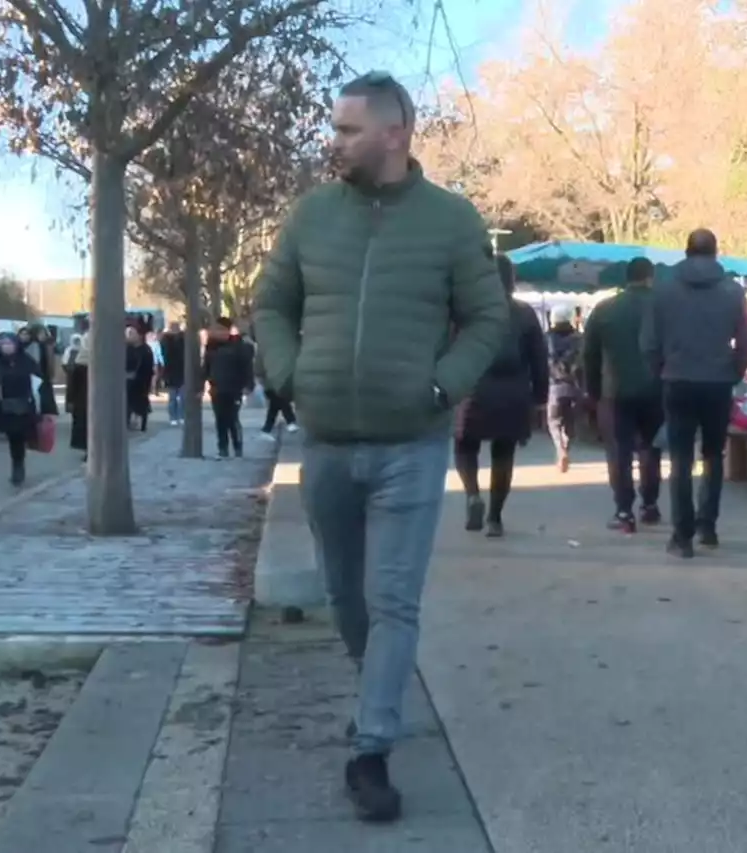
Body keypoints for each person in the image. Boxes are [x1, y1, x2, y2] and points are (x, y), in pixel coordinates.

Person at [251, 71, 507, 824]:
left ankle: (371, 746)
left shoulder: (452, 221)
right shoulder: (311, 217)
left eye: (346, 129)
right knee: (344, 594)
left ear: (394, 134)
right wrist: (288, 371)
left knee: (393, 598)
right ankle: (378, 689)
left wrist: (441, 387)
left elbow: (488, 316)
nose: (334, 142)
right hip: (325, 439)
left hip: (411, 444)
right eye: (334, 128)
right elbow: (271, 301)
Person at [641, 229, 747, 558]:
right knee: (713, 455)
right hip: (718, 382)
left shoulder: (663, 292)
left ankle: (682, 535)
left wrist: (661, 370)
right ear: (716, 252)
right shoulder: (733, 293)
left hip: (677, 380)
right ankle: (708, 526)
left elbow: (648, 342)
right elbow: (746, 341)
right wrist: (734, 370)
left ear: (686, 252)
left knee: (680, 460)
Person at [452, 255, 549, 536]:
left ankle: (472, 494)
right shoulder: (525, 314)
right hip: (514, 392)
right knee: (504, 453)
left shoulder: (467, 312)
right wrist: (540, 397)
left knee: (464, 446)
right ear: (512, 281)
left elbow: (449, 350)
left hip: (474, 390)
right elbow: (539, 359)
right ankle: (495, 518)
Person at [584, 257, 664, 533]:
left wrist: (593, 392)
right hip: (657, 389)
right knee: (651, 448)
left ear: (626, 279)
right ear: (650, 277)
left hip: (615, 391)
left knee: (619, 452)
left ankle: (624, 511)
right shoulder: (663, 308)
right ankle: (650, 504)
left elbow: (589, 356)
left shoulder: (605, 310)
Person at [0, 334, 58, 485]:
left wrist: (46, 408)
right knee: (15, 438)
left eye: (9, 343)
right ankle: (17, 466)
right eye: (3, 344)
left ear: (16, 345)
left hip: (26, 407)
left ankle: (20, 462)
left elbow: (41, 384)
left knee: (24, 436)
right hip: (7, 409)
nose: (6, 346)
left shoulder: (27, 362)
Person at [202, 318, 254, 458]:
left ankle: (238, 447)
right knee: (220, 419)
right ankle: (222, 448)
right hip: (217, 388)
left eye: (220, 329)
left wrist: (248, 385)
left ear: (227, 330)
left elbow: (247, 367)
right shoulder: (211, 347)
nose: (216, 332)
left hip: (234, 388)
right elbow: (206, 368)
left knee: (232, 418)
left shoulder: (238, 345)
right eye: (215, 329)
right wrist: (200, 387)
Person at [544, 304, 582, 472]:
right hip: (574, 387)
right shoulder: (579, 339)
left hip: (554, 387)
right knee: (571, 423)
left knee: (554, 422)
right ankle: (566, 447)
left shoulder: (546, 339)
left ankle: (560, 450)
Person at [255, 345, 299, 439]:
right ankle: (290, 421)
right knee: (281, 401)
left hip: (272, 382)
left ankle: (267, 430)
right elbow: (258, 369)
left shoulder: (264, 350)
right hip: (273, 383)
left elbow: (258, 369)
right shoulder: (278, 349)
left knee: (275, 406)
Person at [125, 325, 155, 431]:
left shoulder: (145, 349)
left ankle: (142, 423)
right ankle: (127, 422)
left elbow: (148, 365)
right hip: (127, 381)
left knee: (141, 403)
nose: (129, 336)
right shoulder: (125, 348)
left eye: (132, 334)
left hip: (141, 381)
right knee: (127, 403)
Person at [66, 331, 89, 460]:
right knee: (85, 425)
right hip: (83, 400)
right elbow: (73, 383)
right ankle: (88, 450)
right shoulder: (80, 360)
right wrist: (71, 400)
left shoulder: (104, 360)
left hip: (96, 400)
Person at [159, 322, 186, 426]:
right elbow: (165, 352)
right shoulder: (166, 340)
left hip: (180, 371)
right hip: (171, 371)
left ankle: (181, 416)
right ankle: (174, 417)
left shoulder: (182, 339)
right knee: (173, 398)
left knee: (182, 398)